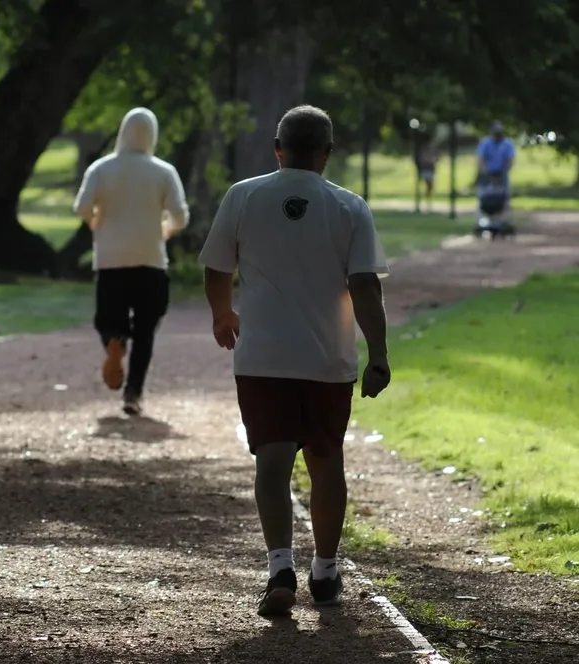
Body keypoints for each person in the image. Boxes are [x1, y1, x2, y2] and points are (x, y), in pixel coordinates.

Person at [197, 105, 391, 616]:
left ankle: (280, 568)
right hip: (328, 359)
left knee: (273, 464)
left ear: (277, 149)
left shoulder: (244, 195)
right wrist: (379, 354)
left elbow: (217, 268)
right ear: (327, 154)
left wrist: (223, 315)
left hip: (262, 355)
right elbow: (365, 285)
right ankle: (325, 572)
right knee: (327, 464)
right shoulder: (350, 207)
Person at [73, 107, 189, 416]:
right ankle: (133, 393)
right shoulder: (163, 171)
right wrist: (166, 229)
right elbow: (181, 215)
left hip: (110, 260)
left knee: (107, 318)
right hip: (150, 259)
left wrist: (95, 221)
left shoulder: (101, 168)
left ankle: (115, 340)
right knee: (146, 330)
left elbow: (82, 206)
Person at [476, 121, 515, 189]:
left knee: (503, 195)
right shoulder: (485, 143)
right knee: (486, 195)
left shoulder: (507, 144)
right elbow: (481, 159)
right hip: (488, 174)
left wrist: (506, 170)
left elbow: (510, 159)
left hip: (502, 174)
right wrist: (484, 171)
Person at [415, 144, 438, 209]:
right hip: (426, 171)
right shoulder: (423, 154)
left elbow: (435, 160)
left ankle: (427, 201)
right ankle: (423, 201)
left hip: (430, 171)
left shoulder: (431, 154)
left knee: (430, 187)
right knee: (427, 185)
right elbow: (422, 162)